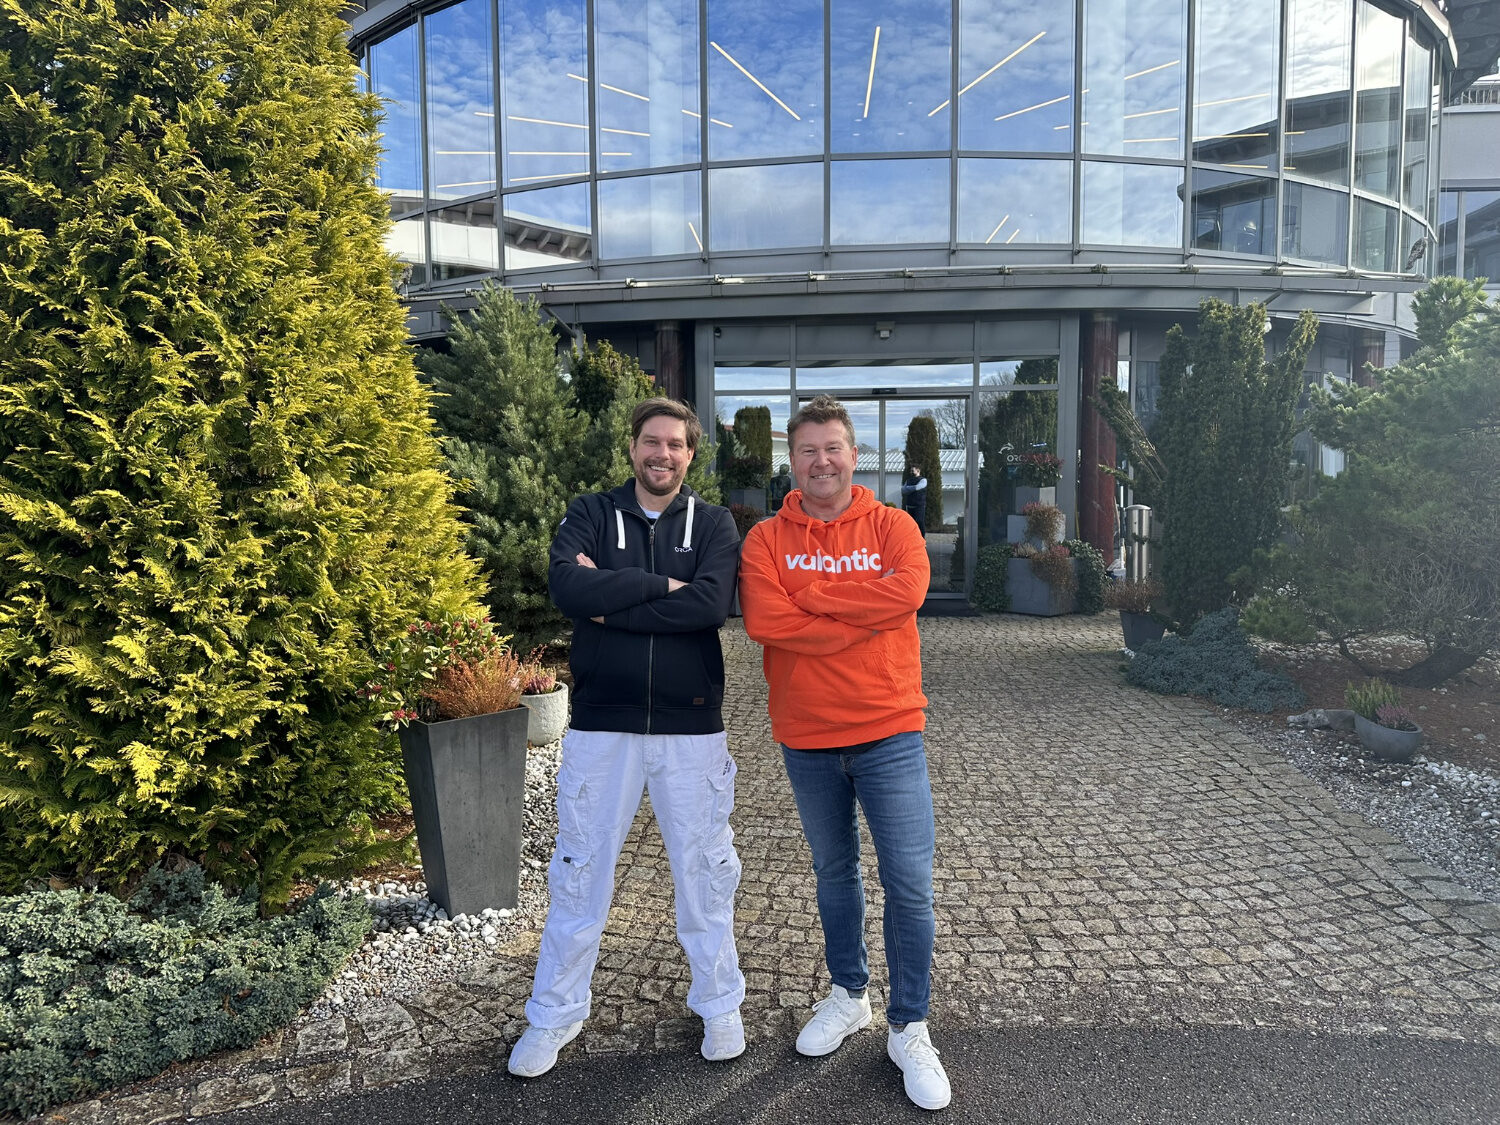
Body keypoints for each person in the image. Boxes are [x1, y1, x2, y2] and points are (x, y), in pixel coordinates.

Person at [508, 398, 746, 1078]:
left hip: (690, 726)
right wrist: (655, 584)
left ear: (690, 454)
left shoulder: (715, 523)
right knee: (580, 874)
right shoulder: (590, 510)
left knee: (704, 872)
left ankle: (720, 1002)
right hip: (601, 725)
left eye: (675, 444)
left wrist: (612, 598)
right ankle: (553, 1015)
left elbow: (709, 604)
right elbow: (566, 587)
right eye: (651, 442)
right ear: (633, 447)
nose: (661, 454)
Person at [738, 394, 950, 1111]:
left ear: (855, 455)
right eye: (807, 450)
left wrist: (813, 601)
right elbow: (767, 619)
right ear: (790, 461)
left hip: (891, 730)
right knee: (836, 873)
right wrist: (860, 612)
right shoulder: (766, 539)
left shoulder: (895, 526)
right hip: (807, 737)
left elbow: (909, 592)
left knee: (910, 882)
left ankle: (910, 1024)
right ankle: (850, 993)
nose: (821, 460)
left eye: (833, 447)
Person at [900, 463, 928, 536]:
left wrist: (908, 488)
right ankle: (912, 539)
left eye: (912, 470)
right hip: (910, 505)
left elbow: (918, 487)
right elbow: (903, 490)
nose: (911, 472)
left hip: (919, 505)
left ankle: (922, 538)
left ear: (918, 470)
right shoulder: (908, 480)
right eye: (911, 471)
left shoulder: (923, 480)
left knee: (919, 521)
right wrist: (912, 488)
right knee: (911, 523)